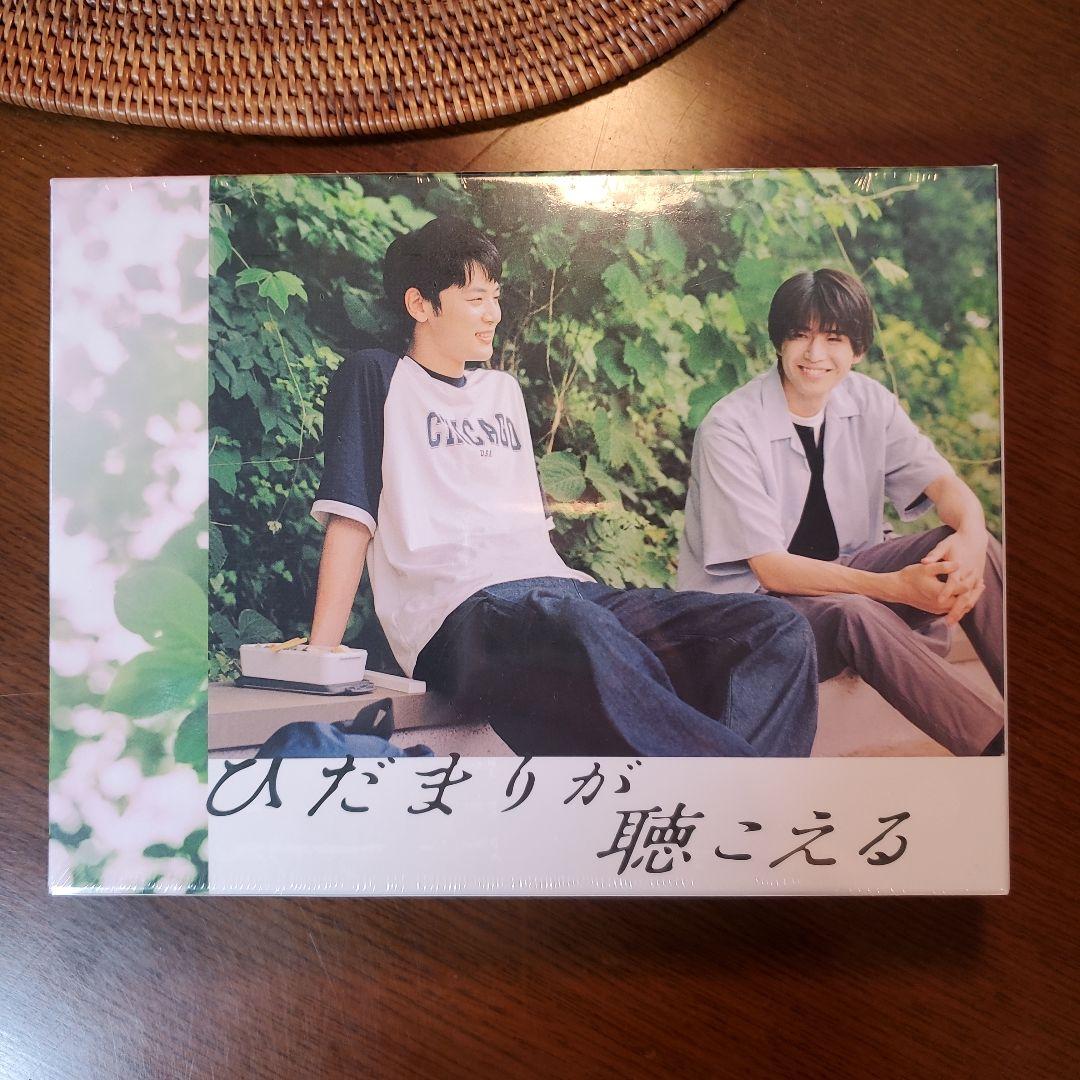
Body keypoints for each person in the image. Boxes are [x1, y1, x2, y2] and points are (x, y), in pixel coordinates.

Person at [307, 215, 817, 758]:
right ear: (419, 304)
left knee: (776, 627)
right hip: (459, 616)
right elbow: (351, 518)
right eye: (476, 299)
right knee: (574, 624)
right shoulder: (377, 377)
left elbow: (533, 545)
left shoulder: (502, 391)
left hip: (564, 595)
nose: (494, 314)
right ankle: (741, 788)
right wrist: (320, 654)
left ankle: (727, 783)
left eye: (496, 297)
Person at [678, 268, 1004, 756]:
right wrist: (896, 588)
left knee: (975, 547)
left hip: (846, 577)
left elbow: (944, 485)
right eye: (800, 335)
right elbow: (771, 569)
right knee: (855, 611)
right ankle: (1000, 751)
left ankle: (1047, 713)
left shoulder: (869, 401)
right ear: (779, 342)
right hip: (751, 613)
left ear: (858, 349)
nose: (814, 354)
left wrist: (973, 535)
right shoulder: (730, 427)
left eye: (833, 338)